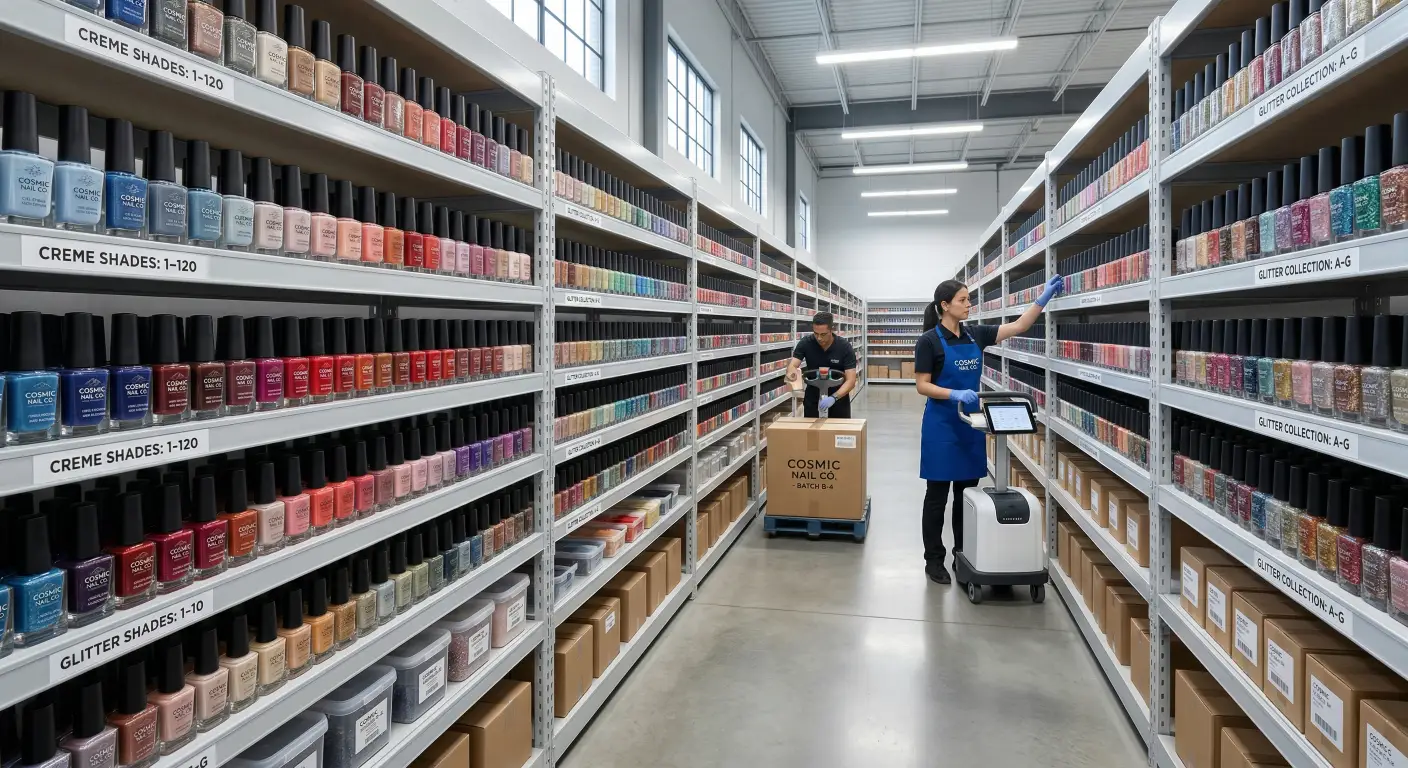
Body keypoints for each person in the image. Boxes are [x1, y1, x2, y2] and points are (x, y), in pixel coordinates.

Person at [915, 275, 1062, 584]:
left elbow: (1019, 326)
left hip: (971, 426)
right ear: (945, 305)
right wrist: (953, 394)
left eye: (969, 299)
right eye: (963, 300)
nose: (969, 305)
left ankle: (961, 555)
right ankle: (934, 560)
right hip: (941, 428)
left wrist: (1042, 299)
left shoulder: (975, 335)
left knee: (966, 495)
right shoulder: (928, 340)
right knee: (936, 497)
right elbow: (922, 385)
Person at [786, 311, 857, 418]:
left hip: (838, 398)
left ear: (831, 329)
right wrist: (791, 373)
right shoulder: (806, 343)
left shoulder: (844, 347)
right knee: (812, 432)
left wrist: (834, 398)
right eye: (816, 333)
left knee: (837, 432)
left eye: (823, 334)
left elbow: (851, 380)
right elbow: (793, 365)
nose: (819, 338)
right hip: (812, 397)